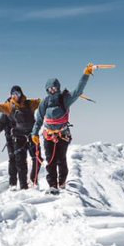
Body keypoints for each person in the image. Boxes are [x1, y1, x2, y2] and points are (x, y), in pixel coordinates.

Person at [32, 64, 95, 192]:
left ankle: (61, 182)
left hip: (63, 135)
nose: (52, 91)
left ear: (58, 88)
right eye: (49, 89)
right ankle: (53, 186)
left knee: (61, 159)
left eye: (54, 88)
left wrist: (86, 74)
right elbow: (39, 119)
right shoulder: (45, 102)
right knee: (50, 161)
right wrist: (34, 133)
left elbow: (78, 90)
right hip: (48, 135)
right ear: (46, 89)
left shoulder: (65, 99)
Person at [0, 85, 41, 189]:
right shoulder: (9, 106)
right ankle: (23, 187)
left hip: (32, 136)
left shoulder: (30, 103)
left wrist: (57, 97)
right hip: (18, 138)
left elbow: (44, 102)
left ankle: (34, 180)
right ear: (10, 95)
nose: (16, 96)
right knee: (20, 164)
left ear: (21, 93)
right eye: (13, 94)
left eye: (17, 94)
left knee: (38, 158)